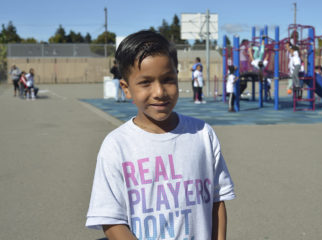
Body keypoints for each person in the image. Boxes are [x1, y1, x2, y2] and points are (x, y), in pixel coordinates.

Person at [86, 30, 235, 240]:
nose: (159, 92)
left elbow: (217, 201)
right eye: (145, 82)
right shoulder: (116, 145)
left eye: (167, 79)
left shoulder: (203, 134)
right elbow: (111, 220)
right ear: (126, 88)